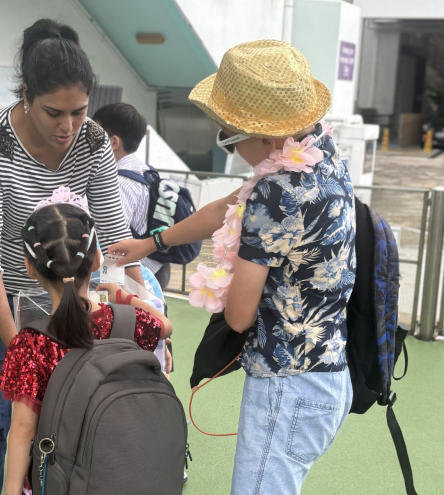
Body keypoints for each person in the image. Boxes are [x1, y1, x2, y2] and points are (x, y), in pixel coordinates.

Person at [110, 40, 355, 495]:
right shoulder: (323, 156)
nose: (229, 144)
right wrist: (151, 243)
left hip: (287, 386)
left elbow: (240, 315)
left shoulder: (276, 192)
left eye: (229, 135)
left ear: (264, 137)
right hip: (329, 376)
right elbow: (228, 207)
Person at [0, 19, 144, 495]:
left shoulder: (95, 140)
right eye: (54, 112)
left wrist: (145, 307)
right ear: (26, 96)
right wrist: (19, 348)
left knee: (63, 410)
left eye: (79, 111)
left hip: (60, 290)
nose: (68, 126)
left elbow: (116, 236)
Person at [0, 200, 172, 495]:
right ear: (95, 260)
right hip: (127, 468)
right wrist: (124, 298)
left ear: (30, 267)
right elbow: (165, 326)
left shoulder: (31, 343)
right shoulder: (130, 322)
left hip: (65, 480)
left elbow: (23, 429)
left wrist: (12, 491)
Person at [92, 102, 171, 290]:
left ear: (113, 142)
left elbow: (115, 243)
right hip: (158, 266)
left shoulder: (118, 182)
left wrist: (108, 283)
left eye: (94, 136)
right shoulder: (147, 171)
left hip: (140, 274)